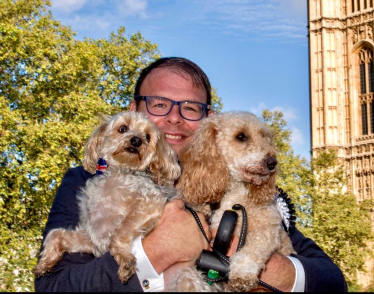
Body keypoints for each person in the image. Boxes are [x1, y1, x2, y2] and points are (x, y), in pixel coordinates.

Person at [35, 57, 347, 292]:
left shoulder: (234, 190)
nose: (173, 118)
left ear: (208, 120)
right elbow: (53, 286)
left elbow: (331, 281)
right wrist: (156, 250)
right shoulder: (86, 182)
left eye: (190, 108)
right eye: (158, 104)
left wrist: (247, 262)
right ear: (134, 109)